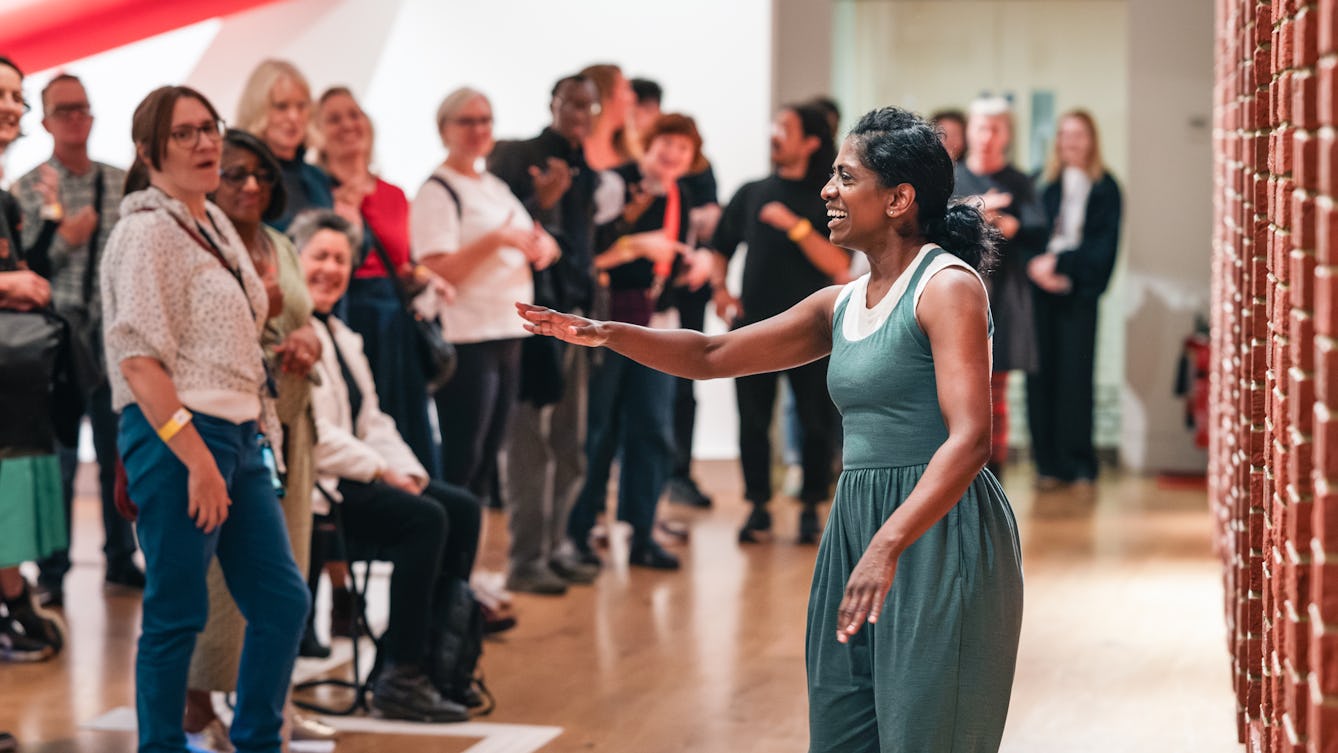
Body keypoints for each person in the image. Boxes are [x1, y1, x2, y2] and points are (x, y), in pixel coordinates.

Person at [518, 105, 1024, 752]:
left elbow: (970, 438)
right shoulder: (842, 301)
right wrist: (606, 333)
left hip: (936, 530)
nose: (826, 190)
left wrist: (888, 543)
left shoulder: (948, 286)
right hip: (858, 525)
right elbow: (710, 355)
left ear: (899, 199)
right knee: (843, 735)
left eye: (845, 177)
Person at [102, 85, 310, 753]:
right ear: (147, 151)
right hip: (178, 438)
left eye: (210, 128)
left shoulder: (210, 221)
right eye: (185, 133)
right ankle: (160, 745)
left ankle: (257, 739)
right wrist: (196, 459)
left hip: (241, 437)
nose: (205, 143)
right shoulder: (144, 231)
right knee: (177, 612)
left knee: (282, 602)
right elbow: (138, 360)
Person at [179, 128, 332, 751]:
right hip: (226, 428)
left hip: (291, 421)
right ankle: (194, 707)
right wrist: (262, 316)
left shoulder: (277, 243)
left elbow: (306, 314)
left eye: (261, 176)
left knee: (285, 578)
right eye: (236, 173)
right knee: (218, 582)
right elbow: (190, 337)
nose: (250, 186)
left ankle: (266, 708)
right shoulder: (200, 244)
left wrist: (308, 339)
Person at [296, 209, 482, 721]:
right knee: (425, 519)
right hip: (320, 485)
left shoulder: (343, 336)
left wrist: (410, 475)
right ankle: (401, 674)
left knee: (460, 507)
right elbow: (315, 436)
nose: (331, 268)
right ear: (294, 261)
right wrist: (383, 474)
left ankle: (433, 660)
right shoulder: (291, 335)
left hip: (358, 472)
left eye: (340, 259)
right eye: (320, 257)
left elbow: (373, 420)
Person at [11, 73, 140, 608]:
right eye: (62, 110)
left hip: (111, 344)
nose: (74, 118)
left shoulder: (120, 183)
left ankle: (120, 557)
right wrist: (63, 239)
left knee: (119, 453)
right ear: (43, 121)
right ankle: (53, 569)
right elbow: (26, 271)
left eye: (81, 108)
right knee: (60, 459)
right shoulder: (26, 188)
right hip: (54, 347)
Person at [564, 113, 714, 571]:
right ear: (646, 143)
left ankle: (642, 529)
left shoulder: (680, 195)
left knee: (652, 428)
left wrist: (696, 263)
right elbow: (588, 256)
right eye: (666, 142)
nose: (672, 154)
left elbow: (677, 254)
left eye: (683, 149)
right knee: (598, 430)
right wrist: (636, 247)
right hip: (608, 319)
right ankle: (580, 530)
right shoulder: (615, 184)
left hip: (657, 322)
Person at [411, 87, 559, 503]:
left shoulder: (492, 185)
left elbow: (529, 234)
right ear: (444, 129)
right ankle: (447, 563)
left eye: (485, 120)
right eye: (467, 121)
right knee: (464, 458)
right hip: (467, 333)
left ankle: (464, 561)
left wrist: (545, 247)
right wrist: (496, 241)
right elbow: (435, 268)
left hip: (507, 329)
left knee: (487, 457)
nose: (478, 130)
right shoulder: (438, 190)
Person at [710, 103, 848, 544]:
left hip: (813, 331)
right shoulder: (751, 192)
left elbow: (837, 264)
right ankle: (757, 507)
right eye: (773, 125)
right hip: (753, 326)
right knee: (752, 421)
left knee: (814, 421)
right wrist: (719, 289)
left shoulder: (826, 197)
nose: (773, 134)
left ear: (809, 141)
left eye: (784, 128)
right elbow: (720, 245)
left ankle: (810, 505)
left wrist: (794, 227)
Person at [487, 74, 603, 594]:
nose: (580, 112)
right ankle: (525, 559)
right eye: (571, 103)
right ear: (552, 104)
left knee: (569, 443)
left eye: (589, 105)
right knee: (530, 444)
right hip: (532, 319)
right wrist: (544, 200)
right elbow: (513, 232)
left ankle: (554, 548)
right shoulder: (520, 157)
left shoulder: (588, 170)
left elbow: (579, 247)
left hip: (575, 314)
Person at [316, 85, 440, 478]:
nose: (347, 125)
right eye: (334, 118)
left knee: (405, 418)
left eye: (353, 114)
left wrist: (421, 276)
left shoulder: (394, 194)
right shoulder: (316, 190)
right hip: (349, 309)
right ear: (318, 130)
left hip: (394, 318)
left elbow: (401, 260)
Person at [0, 54, 67, 665]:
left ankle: (15, 603)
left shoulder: (6, 197)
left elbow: (26, 268)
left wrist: (48, 225)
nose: (10, 106)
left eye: (17, 95)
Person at [951, 96, 1047, 476]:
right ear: (969, 131)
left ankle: (994, 479)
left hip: (1004, 297)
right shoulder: (951, 177)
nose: (987, 136)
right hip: (956, 299)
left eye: (996, 128)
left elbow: (1039, 234)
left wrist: (1012, 226)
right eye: (981, 127)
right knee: (955, 391)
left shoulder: (1019, 181)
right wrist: (977, 210)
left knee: (995, 395)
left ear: (1006, 134)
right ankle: (954, 477)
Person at [1027, 110, 1122, 490]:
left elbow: (1104, 249)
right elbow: (1027, 239)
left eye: (1078, 135)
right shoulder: (1041, 183)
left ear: (1092, 139)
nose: (1071, 142)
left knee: (1076, 379)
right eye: (1065, 135)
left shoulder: (1106, 188)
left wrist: (1061, 263)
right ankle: (1046, 464)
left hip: (1078, 295)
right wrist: (1036, 267)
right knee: (1040, 378)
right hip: (1039, 294)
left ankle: (1079, 463)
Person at [235, 59, 334, 230]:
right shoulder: (243, 179)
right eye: (281, 107)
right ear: (257, 110)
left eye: (301, 106)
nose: (294, 117)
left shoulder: (318, 177)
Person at [579, 64, 639, 171]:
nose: (633, 97)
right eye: (626, 88)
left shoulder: (632, 160)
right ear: (603, 94)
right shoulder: (569, 152)